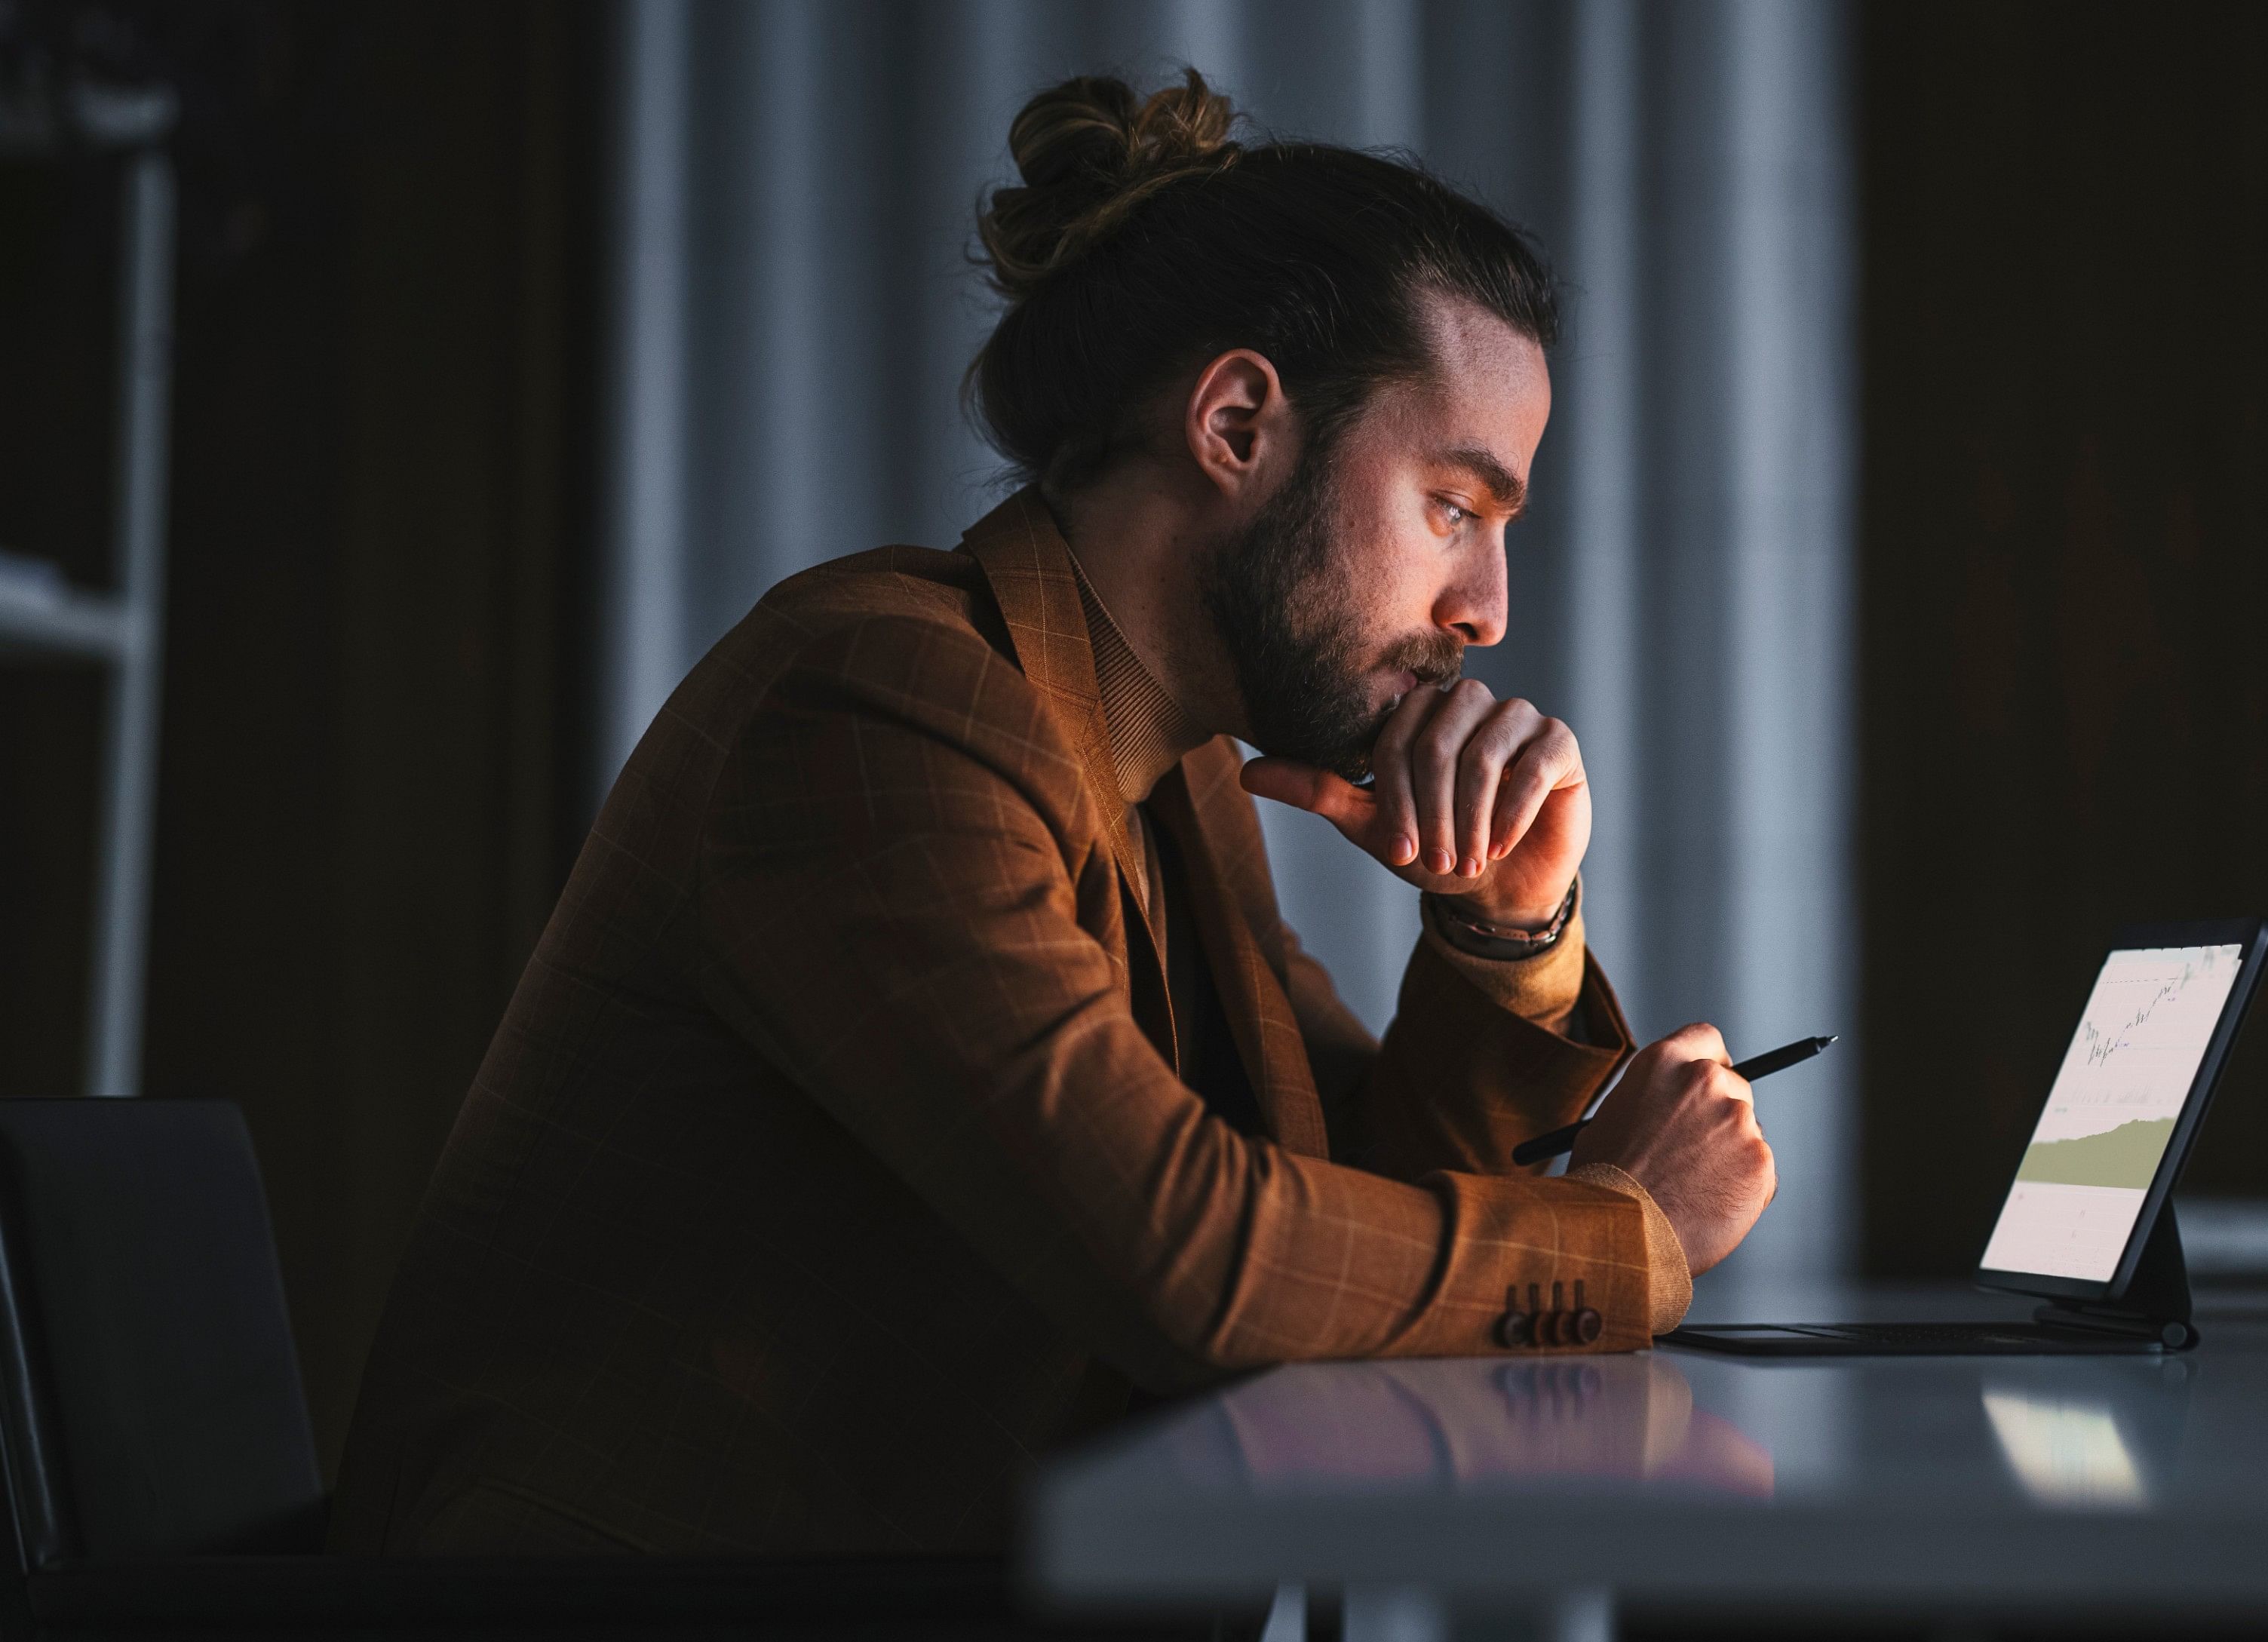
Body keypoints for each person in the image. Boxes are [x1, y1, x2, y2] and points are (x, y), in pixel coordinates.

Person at [330, 69, 1775, 1558]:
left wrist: (1501, 931)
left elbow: (1342, 1214)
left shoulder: (1171, 770)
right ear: (1233, 424)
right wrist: (1628, 1235)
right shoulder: (877, 701)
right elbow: (1196, 1256)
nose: (1485, 610)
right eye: (1454, 507)